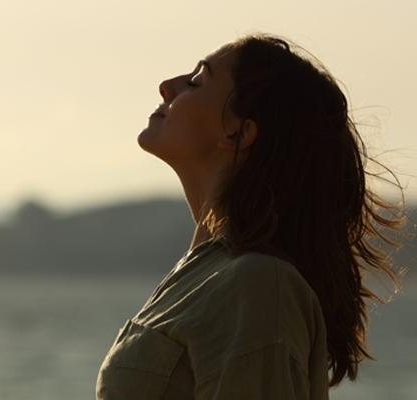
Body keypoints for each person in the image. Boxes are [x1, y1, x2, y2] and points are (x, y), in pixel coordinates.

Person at [95, 32, 411, 399]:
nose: (167, 86)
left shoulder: (258, 284)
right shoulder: (204, 273)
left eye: (197, 81)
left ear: (239, 132)